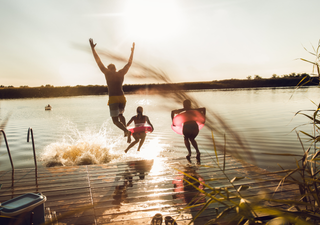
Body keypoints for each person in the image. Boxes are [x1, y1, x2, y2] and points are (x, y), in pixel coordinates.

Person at [89, 38, 135, 143]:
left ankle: (126, 131)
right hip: (122, 98)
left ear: (109, 69)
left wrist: (93, 49)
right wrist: (132, 51)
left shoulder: (107, 73)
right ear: (115, 68)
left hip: (113, 98)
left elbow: (98, 61)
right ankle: (125, 131)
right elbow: (129, 63)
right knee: (121, 115)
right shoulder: (121, 73)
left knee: (115, 121)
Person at [171, 100, 206, 164]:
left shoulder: (182, 110)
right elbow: (203, 109)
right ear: (190, 104)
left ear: (184, 105)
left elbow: (172, 112)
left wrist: (173, 122)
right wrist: (204, 118)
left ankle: (189, 153)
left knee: (186, 139)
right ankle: (197, 152)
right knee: (192, 139)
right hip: (194, 126)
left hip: (187, 126)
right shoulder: (194, 109)